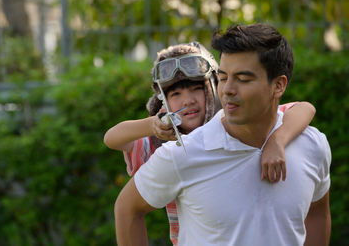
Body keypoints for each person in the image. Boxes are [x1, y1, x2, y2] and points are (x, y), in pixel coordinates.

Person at [114, 24, 331, 246]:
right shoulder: (183, 153)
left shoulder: (312, 144)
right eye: (224, 77)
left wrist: (278, 140)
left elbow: (317, 212)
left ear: (278, 85)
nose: (227, 90)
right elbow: (127, 208)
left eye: (243, 79)